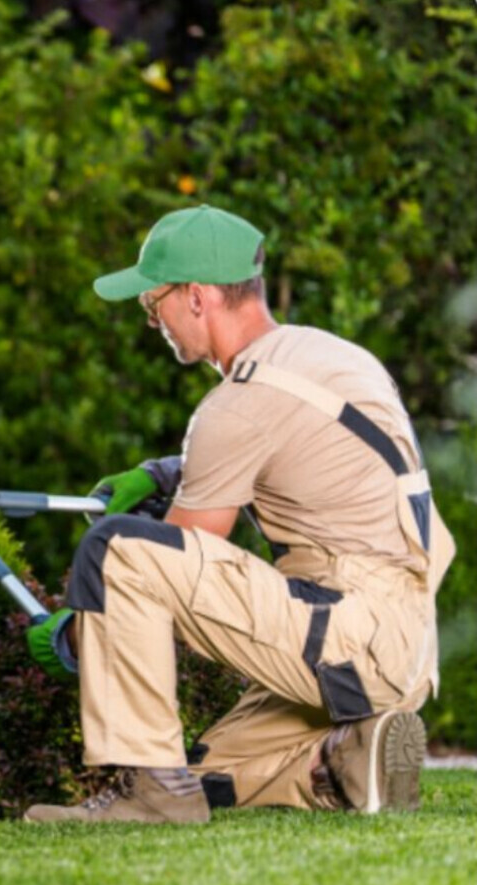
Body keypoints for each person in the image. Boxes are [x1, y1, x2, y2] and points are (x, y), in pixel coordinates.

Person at [24, 204, 455, 824]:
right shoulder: (326, 356)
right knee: (200, 771)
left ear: (196, 297)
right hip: (402, 645)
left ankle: (154, 799)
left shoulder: (237, 404)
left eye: (154, 300)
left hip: (349, 636)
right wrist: (164, 473)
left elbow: (171, 570)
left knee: (117, 549)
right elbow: (296, 453)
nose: (152, 319)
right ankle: (340, 759)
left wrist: (73, 634)